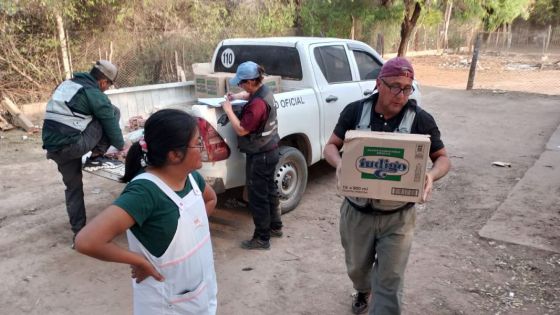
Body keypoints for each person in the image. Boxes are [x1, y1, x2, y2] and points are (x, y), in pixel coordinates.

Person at [323, 57, 451, 315]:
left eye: (407, 88)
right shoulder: (355, 112)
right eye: (395, 86)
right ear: (379, 84)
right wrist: (340, 164)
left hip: (398, 216)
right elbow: (330, 147)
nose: (401, 94)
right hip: (357, 212)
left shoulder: (421, 120)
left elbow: (443, 159)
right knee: (357, 268)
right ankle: (363, 288)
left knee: (391, 280)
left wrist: (430, 176)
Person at [75, 109, 218, 314]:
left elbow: (211, 199)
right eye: (198, 142)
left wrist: (195, 232)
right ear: (175, 154)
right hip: (167, 305)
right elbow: (86, 241)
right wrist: (139, 260)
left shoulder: (192, 178)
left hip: (201, 296)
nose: (203, 147)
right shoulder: (145, 192)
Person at [42, 60, 125, 243]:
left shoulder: (66, 84)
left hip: (54, 147)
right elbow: (111, 127)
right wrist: (123, 147)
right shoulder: (94, 94)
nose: (107, 89)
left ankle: (79, 234)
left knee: (73, 187)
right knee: (113, 111)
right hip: (72, 145)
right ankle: (97, 155)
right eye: (108, 86)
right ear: (103, 82)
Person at [222, 61, 282, 250]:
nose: (240, 86)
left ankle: (262, 238)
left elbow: (241, 130)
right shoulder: (264, 91)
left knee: (258, 197)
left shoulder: (256, 105)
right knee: (270, 190)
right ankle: (275, 226)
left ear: (250, 81)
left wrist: (228, 110)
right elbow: (251, 95)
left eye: (241, 83)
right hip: (271, 149)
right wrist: (238, 96)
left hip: (260, 155)